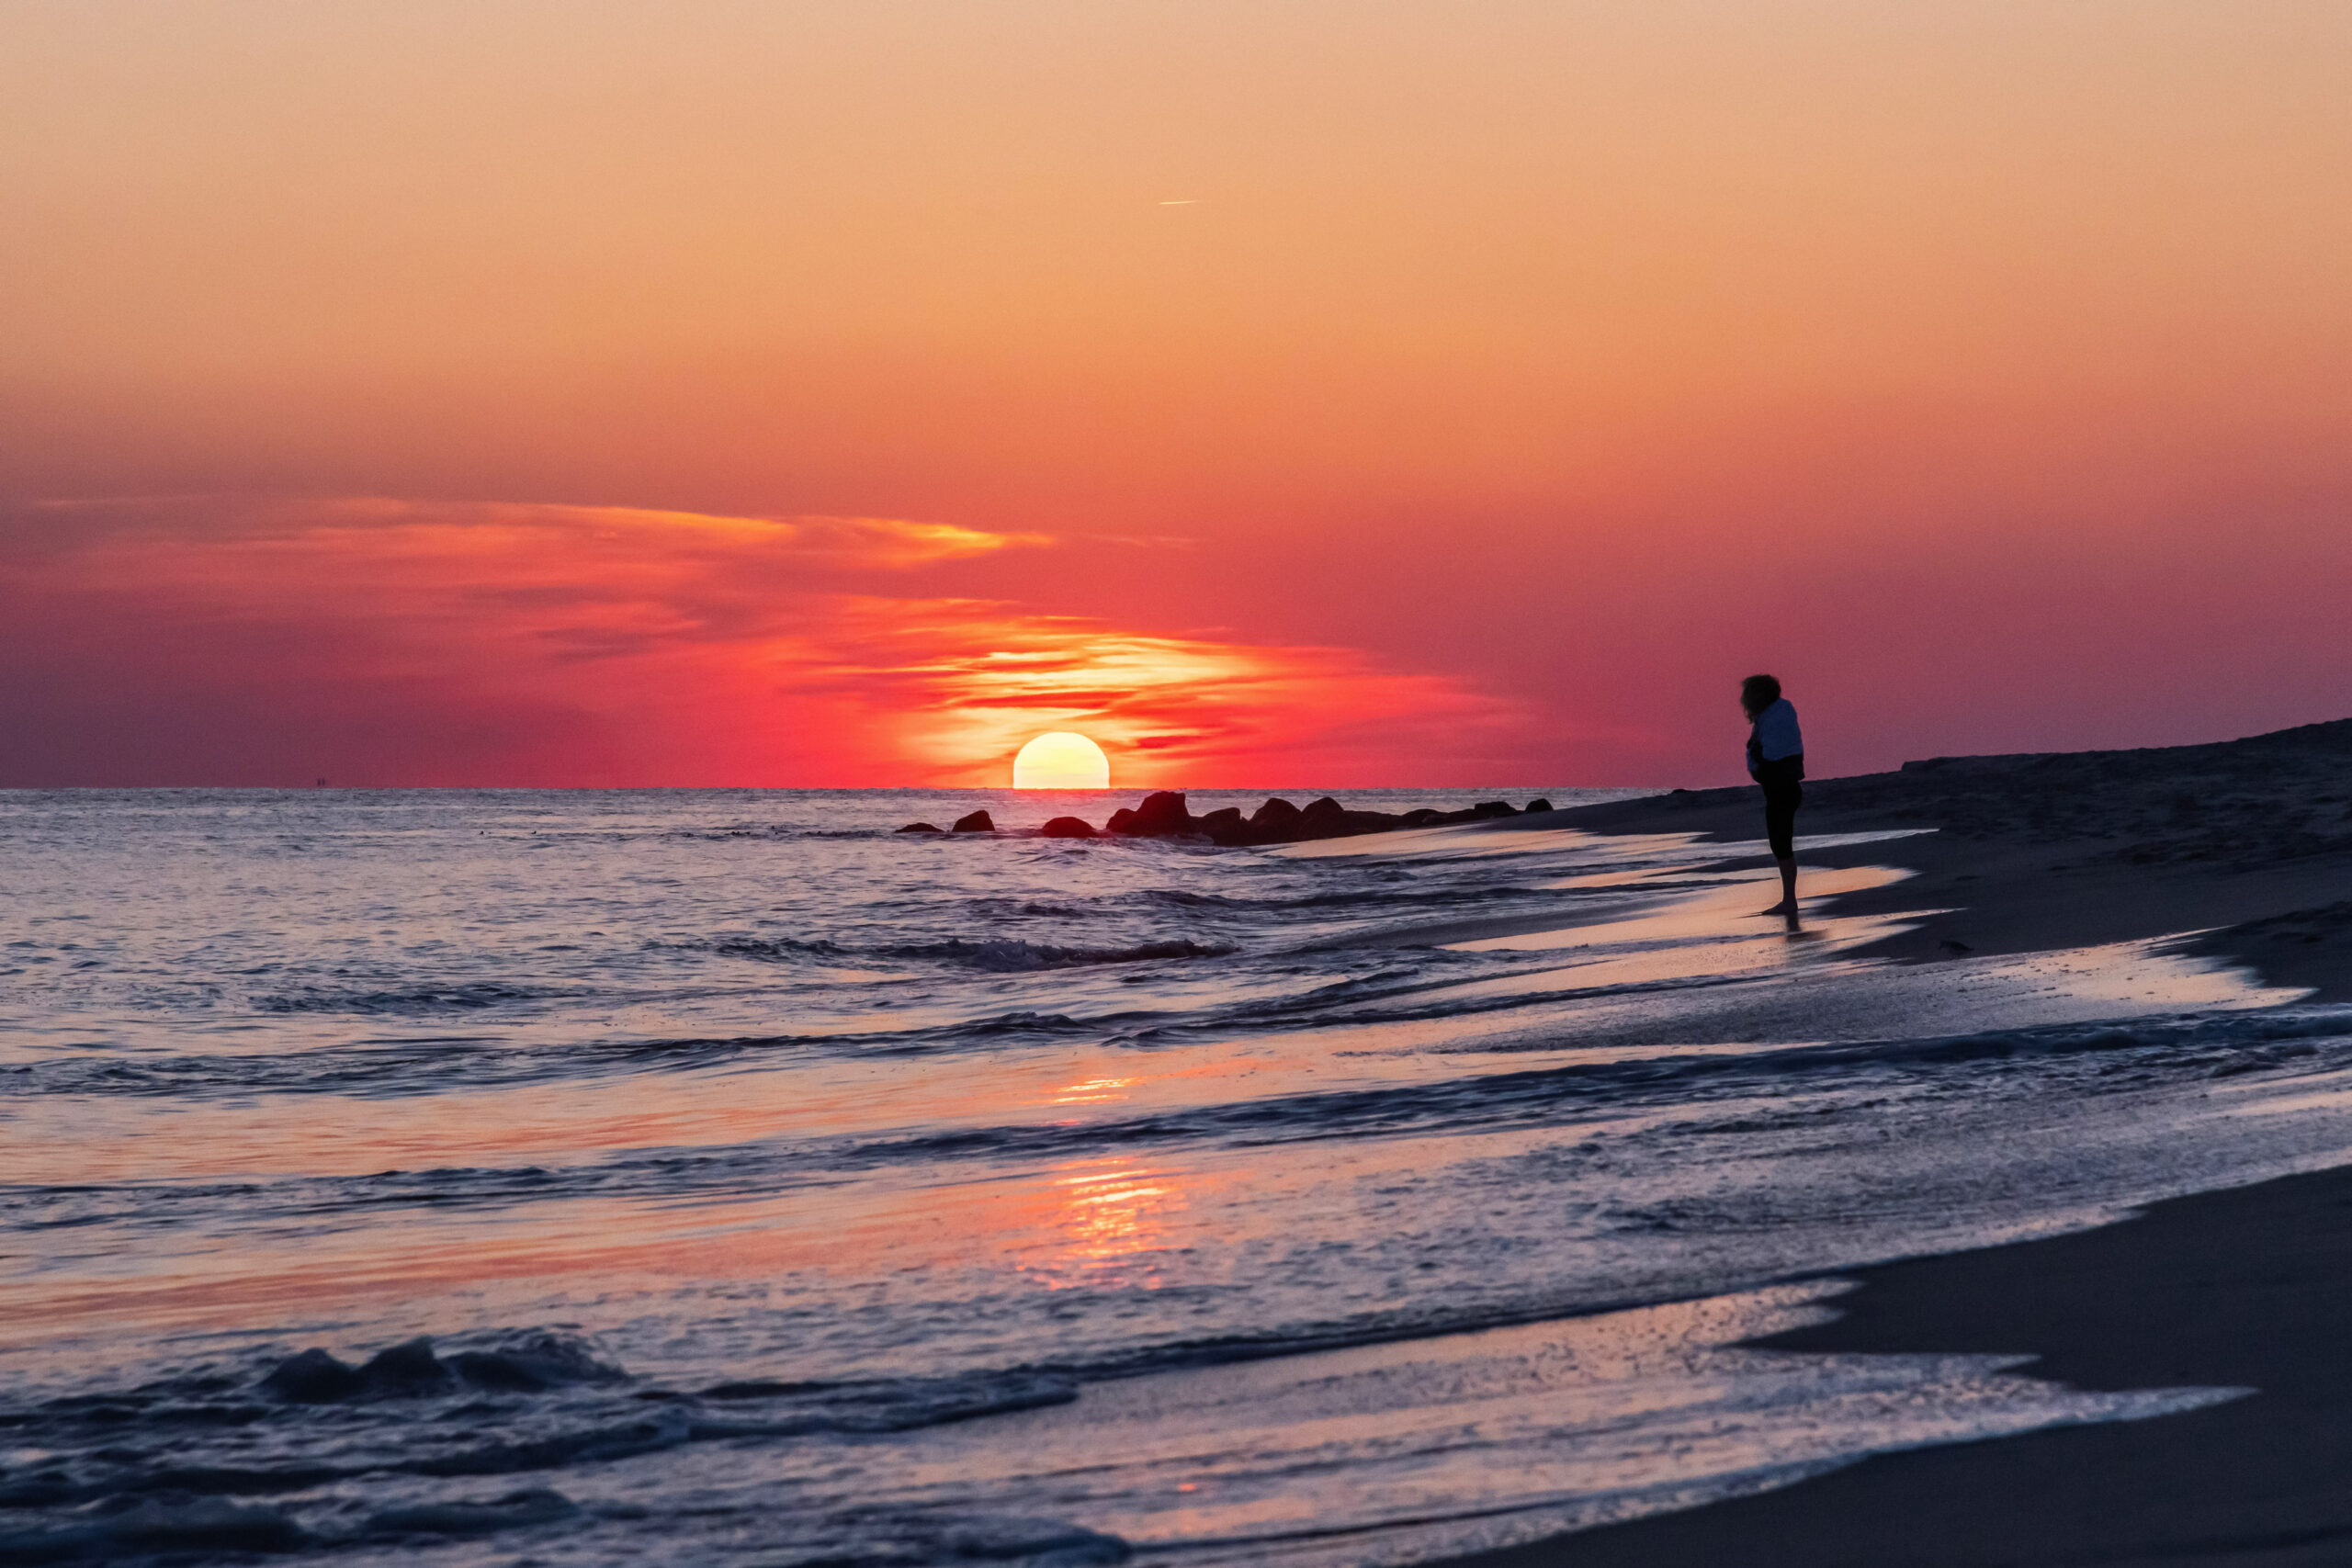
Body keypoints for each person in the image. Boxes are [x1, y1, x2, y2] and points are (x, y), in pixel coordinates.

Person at [1741, 673, 1804, 921]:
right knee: (1781, 845)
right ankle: (1789, 899)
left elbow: (1774, 754)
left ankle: (1790, 900)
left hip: (1782, 789)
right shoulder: (1770, 718)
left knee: (1781, 845)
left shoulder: (1775, 717)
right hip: (1781, 788)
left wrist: (1757, 758)